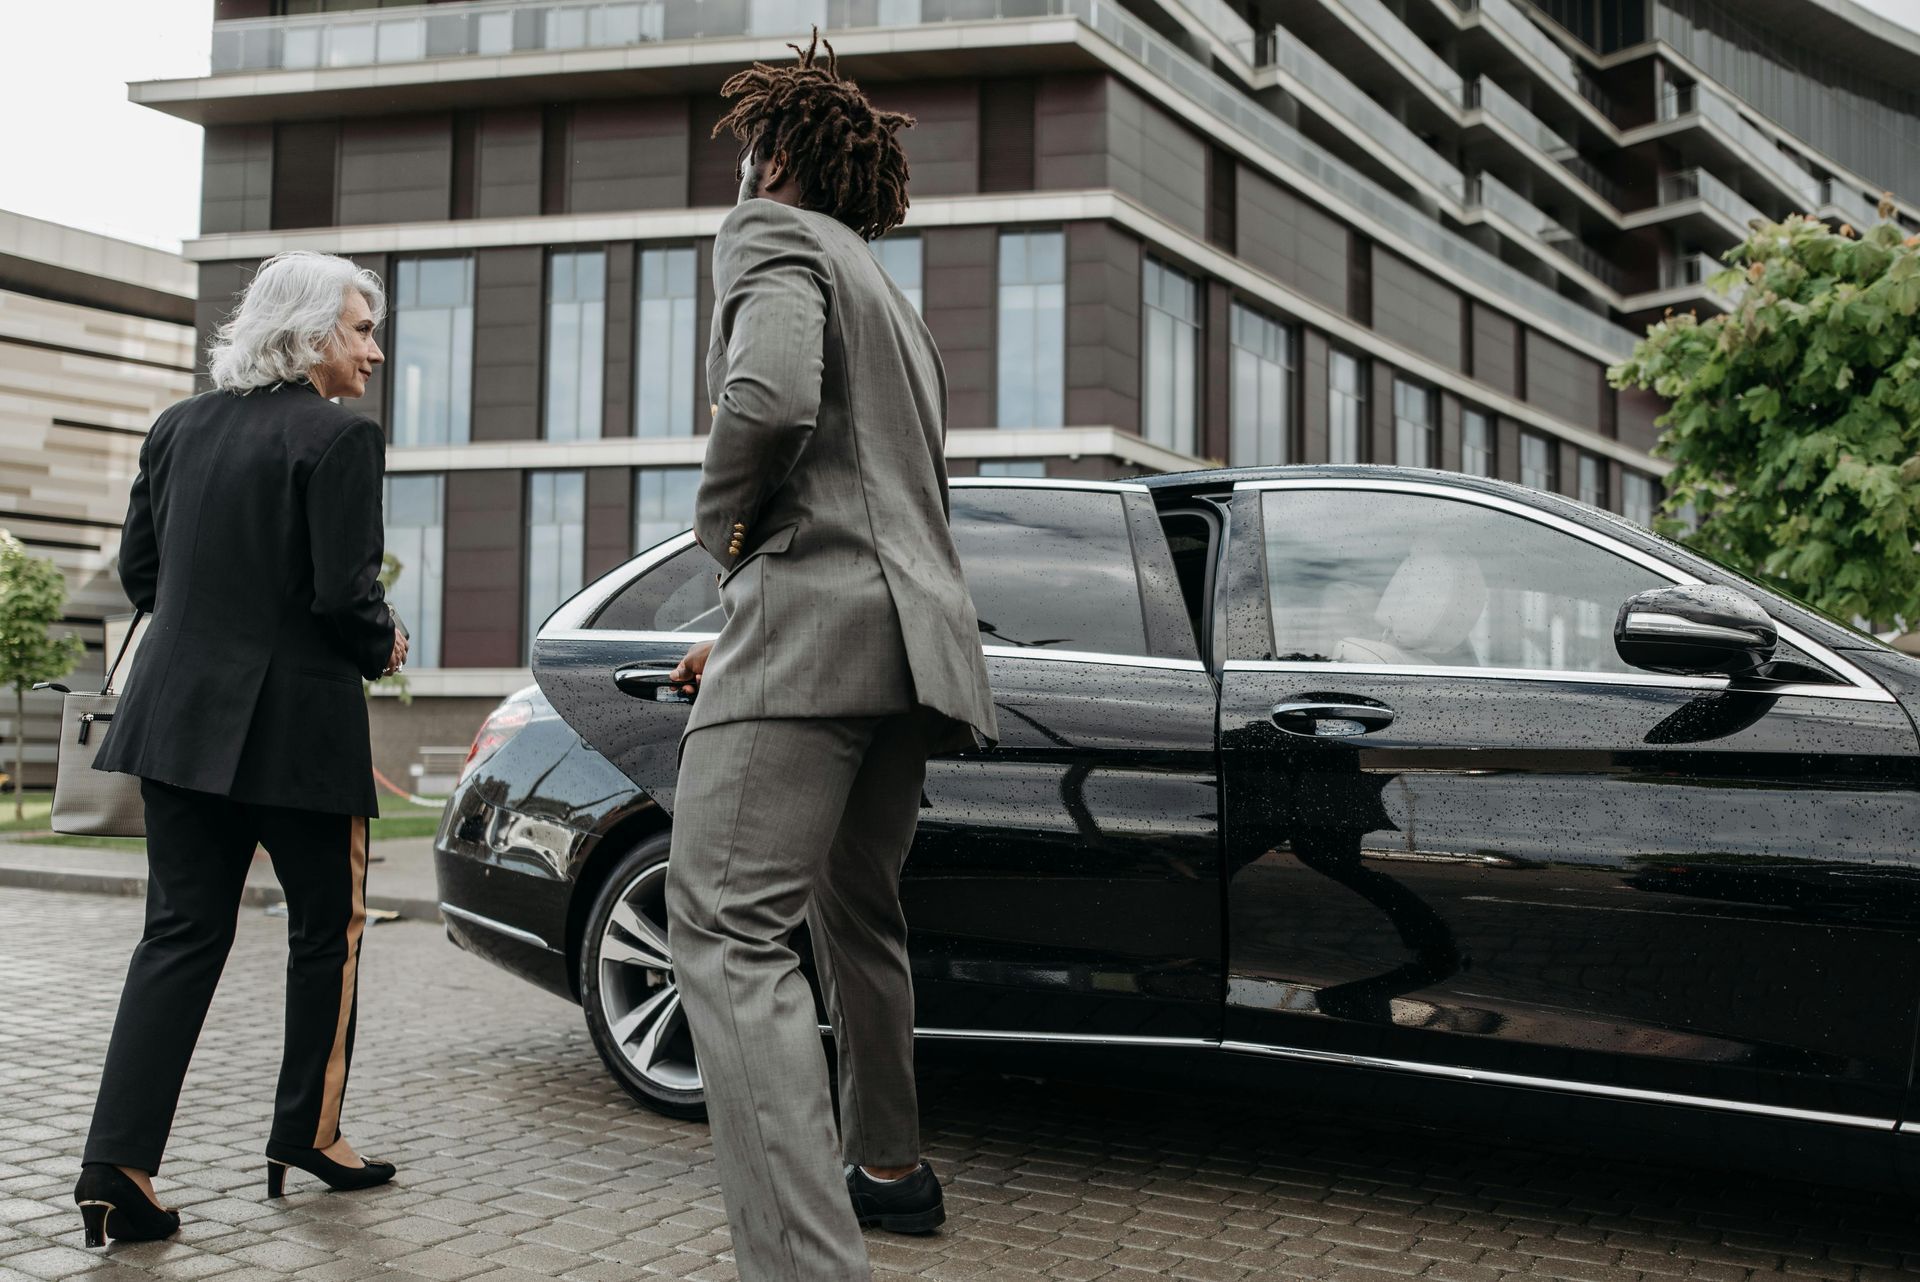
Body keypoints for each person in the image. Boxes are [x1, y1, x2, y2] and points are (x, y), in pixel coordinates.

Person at [662, 31, 999, 1281]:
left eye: (749, 148)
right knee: (860, 914)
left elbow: (771, 399)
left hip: (808, 633)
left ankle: (808, 1264)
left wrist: (731, 540)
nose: (740, 170)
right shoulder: (894, 302)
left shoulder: (770, 235)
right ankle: (891, 1169)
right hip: (911, 659)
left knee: (724, 930)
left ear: (777, 155)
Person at [73, 251, 407, 1248]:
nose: (373, 351)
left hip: (176, 725)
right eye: (358, 329)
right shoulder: (340, 439)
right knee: (328, 931)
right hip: (297, 735)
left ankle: (115, 1169)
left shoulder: (177, 427)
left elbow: (143, 571)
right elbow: (344, 596)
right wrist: (380, 644)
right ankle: (310, 1132)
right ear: (308, 336)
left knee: (177, 937)